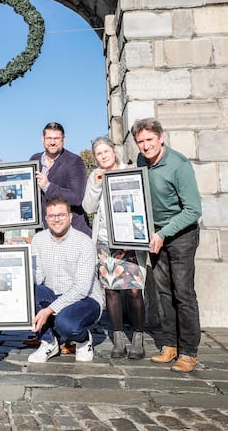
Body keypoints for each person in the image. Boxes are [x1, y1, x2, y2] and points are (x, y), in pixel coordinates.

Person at [132, 118, 202, 373]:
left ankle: (188, 352)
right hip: (156, 235)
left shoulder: (179, 166)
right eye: (140, 142)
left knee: (183, 294)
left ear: (161, 138)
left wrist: (163, 233)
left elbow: (193, 210)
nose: (145, 146)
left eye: (149, 140)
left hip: (181, 235)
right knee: (163, 293)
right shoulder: (141, 162)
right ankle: (169, 345)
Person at [82, 136, 148, 359]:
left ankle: (138, 337)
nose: (103, 156)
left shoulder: (129, 170)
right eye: (98, 154)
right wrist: (97, 184)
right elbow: (88, 207)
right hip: (105, 240)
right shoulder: (95, 175)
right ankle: (118, 338)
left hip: (129, 239)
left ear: (113, 150)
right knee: (111, 290)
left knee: (134, 289)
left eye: (105, 152)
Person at [28, 197, 104, 363]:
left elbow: (82, 288)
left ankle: (83, 340)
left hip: (85, 300)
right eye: (52, 216)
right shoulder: (38, 239)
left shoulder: (84, 242)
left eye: (61, 215)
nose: (56, 220)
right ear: (46, 219)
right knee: (27, 291)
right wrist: (18, 272)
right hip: (53, 293)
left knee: (66, 324)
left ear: (70, 217)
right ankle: (49, 342)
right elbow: (38, 275)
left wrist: (49, 310)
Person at [30, 122, 91, 236]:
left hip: (72, 232)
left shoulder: (74, 161)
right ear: (43, 139)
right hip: (45, 232)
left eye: (57, 138)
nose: (52, 142)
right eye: (49, 138)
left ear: (64, 139)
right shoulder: (34, 160)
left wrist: (48, 187)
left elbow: (76, 198)